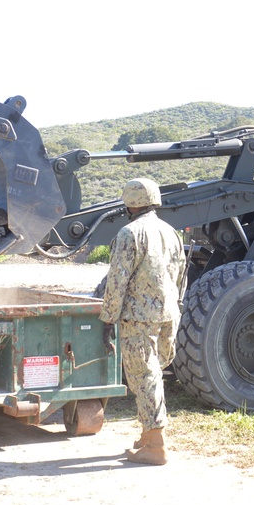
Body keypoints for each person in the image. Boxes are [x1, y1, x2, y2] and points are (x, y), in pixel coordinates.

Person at [99, 178, 187, 465]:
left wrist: (107, 319)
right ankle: (148, 435)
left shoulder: (129, 233)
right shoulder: (171, 232)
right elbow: (181, 274)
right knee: (153, 375)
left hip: (138, 318)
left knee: (144, 377)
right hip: (168, 314)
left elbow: (117, 281)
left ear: (129, 203)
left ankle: (156, 443)